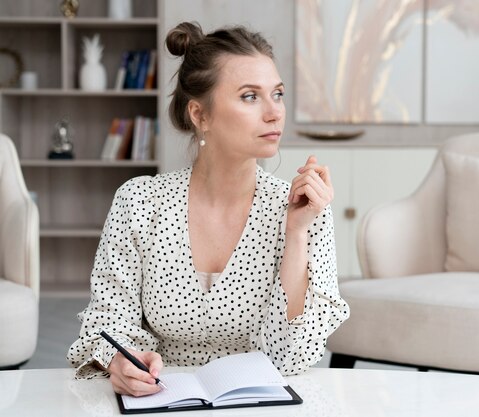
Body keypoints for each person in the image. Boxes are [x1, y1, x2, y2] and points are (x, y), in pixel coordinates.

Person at [67, 22, 350, 397]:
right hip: (160, 399)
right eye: (250, 96)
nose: (274, 113)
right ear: (200, 115)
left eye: (277, 94)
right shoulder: (139, 202)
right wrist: (122, 362)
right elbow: (107, 322)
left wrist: (296, 234)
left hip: (258, 405)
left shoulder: (304, 207)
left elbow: (291, 357)